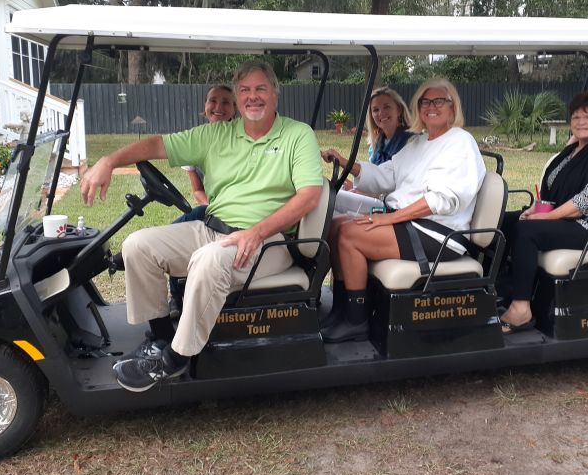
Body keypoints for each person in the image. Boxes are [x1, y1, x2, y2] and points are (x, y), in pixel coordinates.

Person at [80, 60, 323, 392]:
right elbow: (156, 145)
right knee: (138, 245)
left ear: (275, 95)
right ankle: (162, 338)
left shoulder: (297, 135)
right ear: (237, 98)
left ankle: (175, 360)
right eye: (246, 90)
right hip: (212, 228)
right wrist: (108, 160)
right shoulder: (215, 135)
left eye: (261, 89)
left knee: (210, 258)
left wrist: (257, 231)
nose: (253, 97)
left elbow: (309, 196)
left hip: (268, 242)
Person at [319, 78, 485, 343]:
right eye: (425, 102)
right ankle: (341, 309)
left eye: (439, 101)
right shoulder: (418, 143)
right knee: (336, 225)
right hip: (412, 224)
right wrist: (345, 162)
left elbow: (443, 200)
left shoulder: (460, 143)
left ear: (453, 107)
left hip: (439, 234)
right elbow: (386, 176)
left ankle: (356, 320)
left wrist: (390, 218)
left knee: (350, 235)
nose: (432, 107)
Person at [499, 92, 588, 333]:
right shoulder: (570, 152)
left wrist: (545, 217)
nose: (580, 122)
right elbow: (551, 189)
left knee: (527, 231)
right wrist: (534, 210)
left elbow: (586, 202)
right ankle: (501, 292)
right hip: (570, 222)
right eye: (576, 116)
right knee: (506, 221)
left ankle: (521, 309)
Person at [168, 84, 237, 319]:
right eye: (213, 101)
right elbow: (197, 189)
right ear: (205, 106)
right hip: (211, 207)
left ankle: (182, 296)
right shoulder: (195, 140)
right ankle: (177, 295)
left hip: (237, 213)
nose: (218, 107)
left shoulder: (241, 140)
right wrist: (211, 205)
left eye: (226, 102)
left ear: (235, 109)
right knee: (173, 234)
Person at [334, 86, 413, 216]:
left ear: (398, 110)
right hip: (376, 199)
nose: (381, 113)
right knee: (330, 199)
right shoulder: (378, 143)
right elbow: (373, 177)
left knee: (334, 201)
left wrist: (358, 190)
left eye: (387, 107)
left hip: (391, 208)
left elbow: (391, 184)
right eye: (375, 110)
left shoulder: (410, 142)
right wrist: (354, 186)